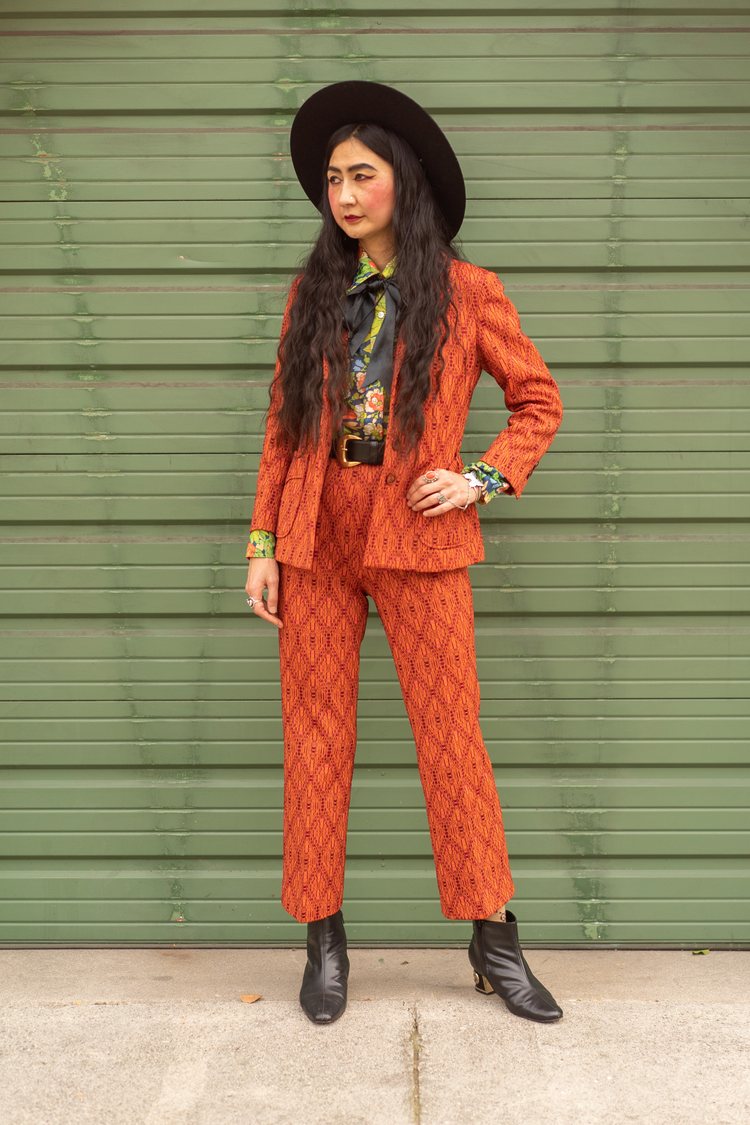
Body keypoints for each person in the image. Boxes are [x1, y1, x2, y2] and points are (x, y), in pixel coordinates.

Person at [244, 81, 564, 1026]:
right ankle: (323, 936)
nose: (344, 195)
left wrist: (482, 478)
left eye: (363, 176)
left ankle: (492, 937)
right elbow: (281, 424)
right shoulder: (316, 291)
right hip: (315, 537)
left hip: (420, 539)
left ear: (402, 183)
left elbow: (537, 401)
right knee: (315, 738)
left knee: (451, 737)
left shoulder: (469, 292)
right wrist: (263, 543)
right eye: (334, 179)